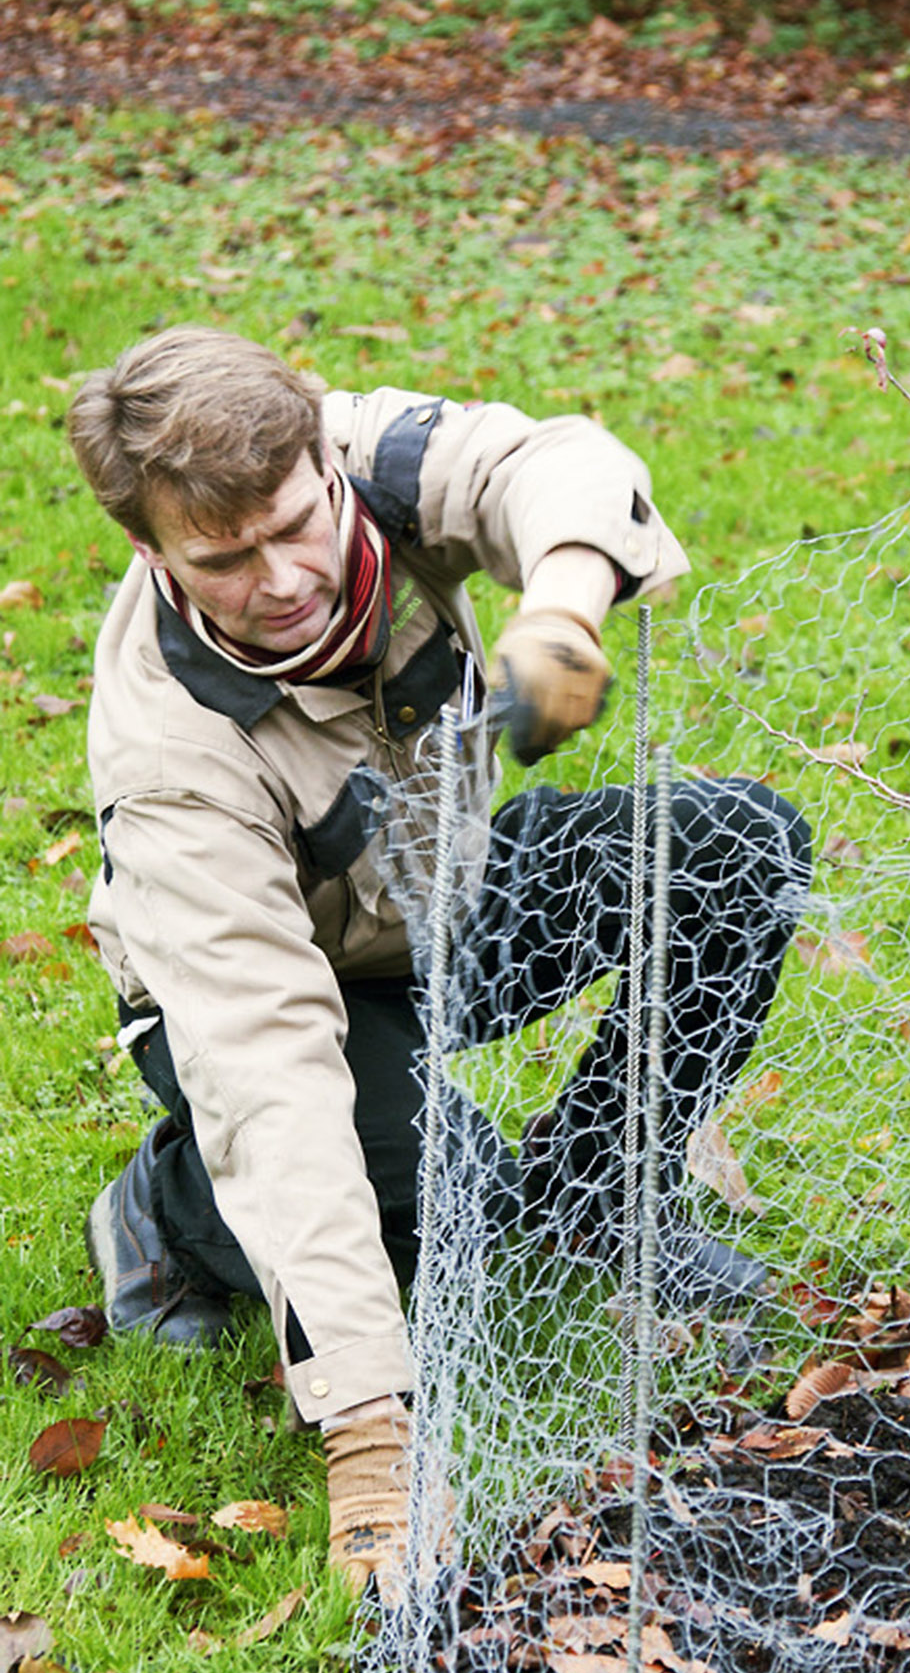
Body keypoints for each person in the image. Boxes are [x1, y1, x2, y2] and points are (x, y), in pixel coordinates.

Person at [69, 327, 809, 1597]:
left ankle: (597, 1203)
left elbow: (553, 463)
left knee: (739, 848)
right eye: (223, 560)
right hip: (275, 991)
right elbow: (268, 1066)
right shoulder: (169, 759)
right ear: (151, 551)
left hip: (446, 895)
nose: (285, 577)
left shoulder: (373, 455)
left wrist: (564, 603)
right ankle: (169, 1209)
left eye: (297, 524)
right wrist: (368, 1433)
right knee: (438, 1211)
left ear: (322, 458)